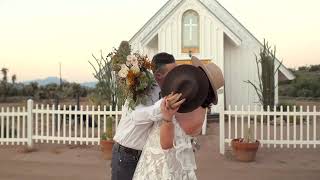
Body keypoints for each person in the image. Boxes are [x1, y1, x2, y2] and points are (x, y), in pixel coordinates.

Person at [133, 56, 224, 180]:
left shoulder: (175, 105)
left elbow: (166, 144)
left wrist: (167, 117)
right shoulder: (200, 111)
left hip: (160, 165)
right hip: (178, 165)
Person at [111, 52, 184, 180]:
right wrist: (163, 106)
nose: (176, 76)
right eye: (173, 73)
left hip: (145, 157)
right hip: (126, 155)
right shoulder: (138, 87)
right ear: (159, 76)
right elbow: (137, 116)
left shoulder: (167, 91)